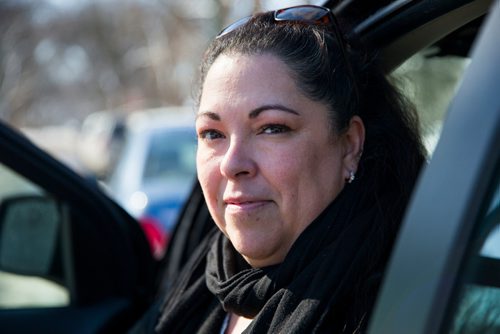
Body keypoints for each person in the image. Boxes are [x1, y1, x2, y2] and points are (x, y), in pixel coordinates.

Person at [154, 5, 425, 333]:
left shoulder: (402, 305)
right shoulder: (203, 280)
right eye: (213, 134)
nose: (232, 164)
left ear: (350, 145)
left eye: (272, 128)